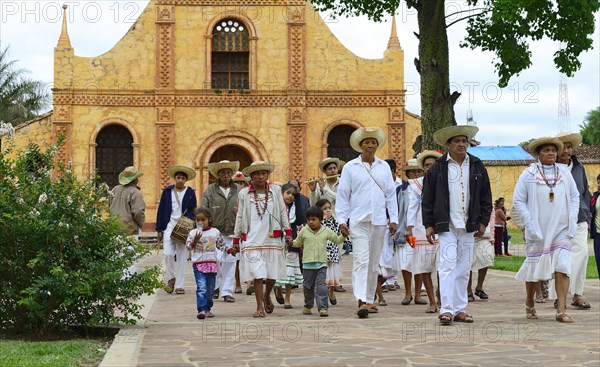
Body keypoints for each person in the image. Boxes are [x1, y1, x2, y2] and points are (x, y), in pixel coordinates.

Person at [422, 125, 492, 325]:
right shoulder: (438, 167)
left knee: (463, 268)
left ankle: (460, 309)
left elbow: (486, 196)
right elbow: (428, 197)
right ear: (448, 144)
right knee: (446, 266)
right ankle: (446, 309)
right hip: (446, 225)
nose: (461, 144)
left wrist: (483, 222)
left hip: (469, 225)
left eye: (464, 141)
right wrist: (428, 224)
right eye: (456, 141)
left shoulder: (477, 165)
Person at [513, 137, 579, 323]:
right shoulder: (529, 174)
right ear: (538, 154)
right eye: (546, 150)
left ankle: (561, 310)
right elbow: (518, 201)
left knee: (563, 267)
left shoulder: (565, 172)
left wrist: (572, 220)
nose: (550, 153)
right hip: (538, 229)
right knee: (535, 270)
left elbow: (574, 197)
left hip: (561, 228)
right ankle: (529, 302)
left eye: (553, 150)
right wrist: (529, 224)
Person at [336, 127, 398, 318]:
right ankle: (361, 300)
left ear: (377, 145)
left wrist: (393, 218)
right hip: (358, 221)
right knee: (361, 260)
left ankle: (370, 299)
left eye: (373, 142)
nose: (370, 146)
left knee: (373, 262)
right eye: (366, 143)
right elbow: (343, 195)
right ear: (360, 146)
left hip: (379, 221)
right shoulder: (350, 167)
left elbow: (390, 194)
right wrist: (341, 220)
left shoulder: (383, 167)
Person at [232, 162, 291, 318]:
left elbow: (283, 212)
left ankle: (266, 295)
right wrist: (236, 239)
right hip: (251, 238)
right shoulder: (244, 194)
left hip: (271, 237)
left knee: (272, 273)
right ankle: (259, 306)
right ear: (251, 176)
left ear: (267, 175)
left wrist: (288, 231)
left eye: (263, 173)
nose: (260, 176)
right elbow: (239, 216)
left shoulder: (276, 191)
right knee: (257, 273)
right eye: (257, 174)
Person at [547, 132, 592, 310]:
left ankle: (577, 294)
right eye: (563, 147)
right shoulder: (549, 169)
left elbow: (585, 192)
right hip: (557, 221)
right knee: (559, 259)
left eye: (569, 146)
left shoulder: (579, 167)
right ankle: (559, 297)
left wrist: (587, 214)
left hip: (580, 219)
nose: (567, 150)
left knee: (582, 255)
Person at [286, 206, 349, 317]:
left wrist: (343, 236)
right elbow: (297, 243)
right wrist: (291, 242)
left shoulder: (326, 231)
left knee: (321, 287)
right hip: (307, 266)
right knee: (307, 288)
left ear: (320, 220)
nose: (311, 222)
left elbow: (337, 240)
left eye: (314, 219)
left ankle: (323, 308)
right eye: (309, 219)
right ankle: (308, 305)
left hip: (321, 265)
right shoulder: (304, 231)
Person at [407, 150, 443, 313]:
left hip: (443, 228)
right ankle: (432, 301)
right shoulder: (416, 185)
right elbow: (412, 207)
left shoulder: (446, 182)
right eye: (427, 165)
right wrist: (409, 228)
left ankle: (442, 296)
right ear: (423, 168)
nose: (430, 168)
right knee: (425, 267)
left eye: (433, 164)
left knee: (443, 267)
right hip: (421, 228)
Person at [201, 160, 241, 303]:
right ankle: (215, 287)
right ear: (218, 174)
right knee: (215, 261)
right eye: (223, 173)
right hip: (214, 233)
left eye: (228, 173)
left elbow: (243, 210)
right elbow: (203, 210)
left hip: (233, 232)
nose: (226, 175)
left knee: (231, 262)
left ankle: (227, 292)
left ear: (232, 174)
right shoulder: (210, 190)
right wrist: (203, 227)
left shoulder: (239, 190)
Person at [156, 165, 197, 294]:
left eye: (183, 178)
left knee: (182, 256)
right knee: (167, 253)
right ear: (175, 178)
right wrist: (159, 229)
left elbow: (193, 210)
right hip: (169, 226)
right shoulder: (167, 192)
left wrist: (189, 222)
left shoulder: (190, 193)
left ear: (186, 180)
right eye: (178, 177)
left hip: (183, 228)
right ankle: (171, 278)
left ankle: (180, 285)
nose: (180, 180)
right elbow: (161, 209)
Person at [186, 207, 227, 319]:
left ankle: (208, 307)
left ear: (209, 219)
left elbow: (221, 245)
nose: (200, 222)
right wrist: (194, 241)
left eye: (203, 220)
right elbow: (188, 247)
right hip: (199, 264)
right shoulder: (193, 233)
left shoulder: (215, 232)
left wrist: (229, 250)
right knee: (202, 287)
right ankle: (201, 309)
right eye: (198, 220)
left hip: (212, 265)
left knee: (210, 290)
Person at [398, 159, 426, 306]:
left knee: (420, 260)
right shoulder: (401, 189)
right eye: (412, 171)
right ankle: (407, 293)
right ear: (407, 173)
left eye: (418, 171)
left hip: (420, 229)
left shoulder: (425, 187)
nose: (415, 174)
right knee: (406, 261)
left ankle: (417, 294)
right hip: (406, 230)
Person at [109, 166, 146, 277]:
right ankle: (126, 285)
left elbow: (109, 205)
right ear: (135, 180)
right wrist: (140, 224)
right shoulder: (135, 192)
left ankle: (116, 284)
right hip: (129, 230)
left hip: (114, 229)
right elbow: (138, 211)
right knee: (130, 260)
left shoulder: (115, 189)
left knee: (115, 259)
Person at [274, 183, 304, 309]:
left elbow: (300, 223)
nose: (290, 196)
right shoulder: (275, 208)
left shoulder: (296, 209)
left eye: (293, 194)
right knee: (278, 269)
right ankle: (278, 289)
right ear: (282, 193)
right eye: (288, 193)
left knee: (290, 271)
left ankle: (287, 298)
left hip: (292, 244)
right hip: (277, 243)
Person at [316, 198, 350, 305]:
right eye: (324, 209)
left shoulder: (335, 220)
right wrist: (323, 219)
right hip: (322, 253)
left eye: (329, 208)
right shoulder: (318, 222)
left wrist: (346, 237)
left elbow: (341, 232)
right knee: (323, 275)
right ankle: (322, 295)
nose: (328, 211)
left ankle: (331, 292)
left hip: (333, 252)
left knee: (332, 274)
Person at [468, 206, 495, 301]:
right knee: (468, 262)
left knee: (487, 257)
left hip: (484, 236)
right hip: (468, 234)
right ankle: (468, 290)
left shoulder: (485, 199)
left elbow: (491, 216)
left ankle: (479, 287)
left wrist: (491, 235)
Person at [591, 174, 600, 276]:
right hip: (598, 235)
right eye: (598, 182)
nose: (599, 185)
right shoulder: (594, 197)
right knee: (599, 262)